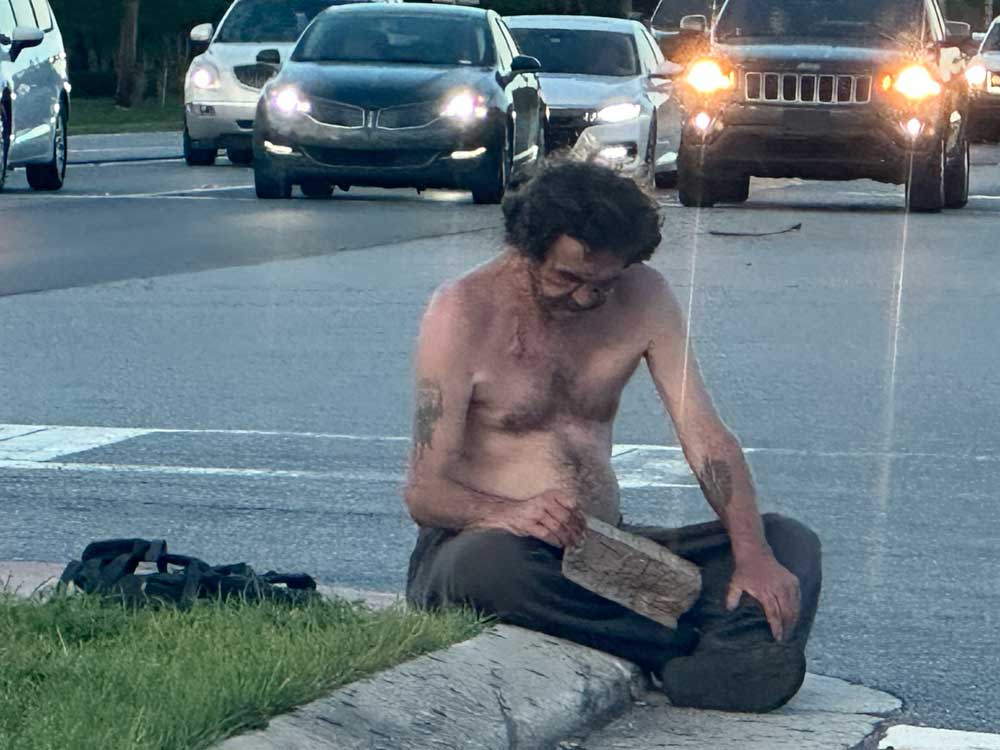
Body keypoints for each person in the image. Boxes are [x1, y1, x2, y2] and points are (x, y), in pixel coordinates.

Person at [403, 161, 822, 713]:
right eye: (566, 279)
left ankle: (716, 645)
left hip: (604, 554)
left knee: (791, 543)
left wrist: (752, 554)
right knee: (490, 568)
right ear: (526, 248)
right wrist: (501, 512)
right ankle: (698, 648)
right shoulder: (461, 311)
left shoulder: (645, 296)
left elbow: (705, 438)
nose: (583, 298)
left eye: (603, 284)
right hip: (495, 549)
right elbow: (425, 492)